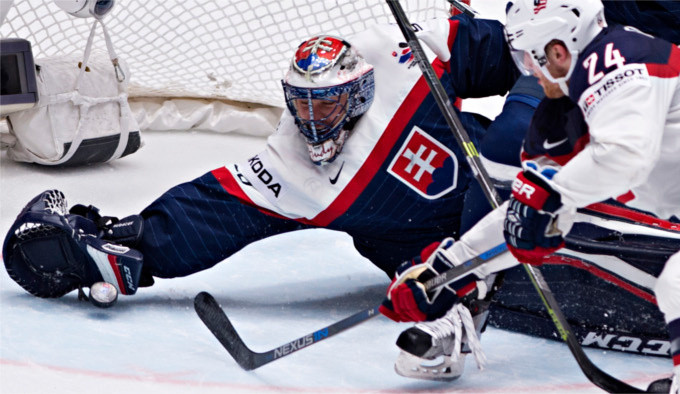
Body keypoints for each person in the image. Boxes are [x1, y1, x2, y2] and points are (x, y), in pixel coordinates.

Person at [2, 8, 525, 343]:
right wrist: (125, 243)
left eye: (328, 105)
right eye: (304, 105)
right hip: (440, 252)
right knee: (448, 275)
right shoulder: (293, 165)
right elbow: (211, 211)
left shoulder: (395, 59)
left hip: (511, 181)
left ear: (360, 91)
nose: (313, 120)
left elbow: (499, 51)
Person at [382, 0, 680, 390]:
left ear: (557, 48)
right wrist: (446, 272)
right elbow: (524, 214)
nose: (527, 68)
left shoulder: (620, 59)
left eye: (529, 55)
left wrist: (550, 195)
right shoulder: (574, 101)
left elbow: (624, 155)